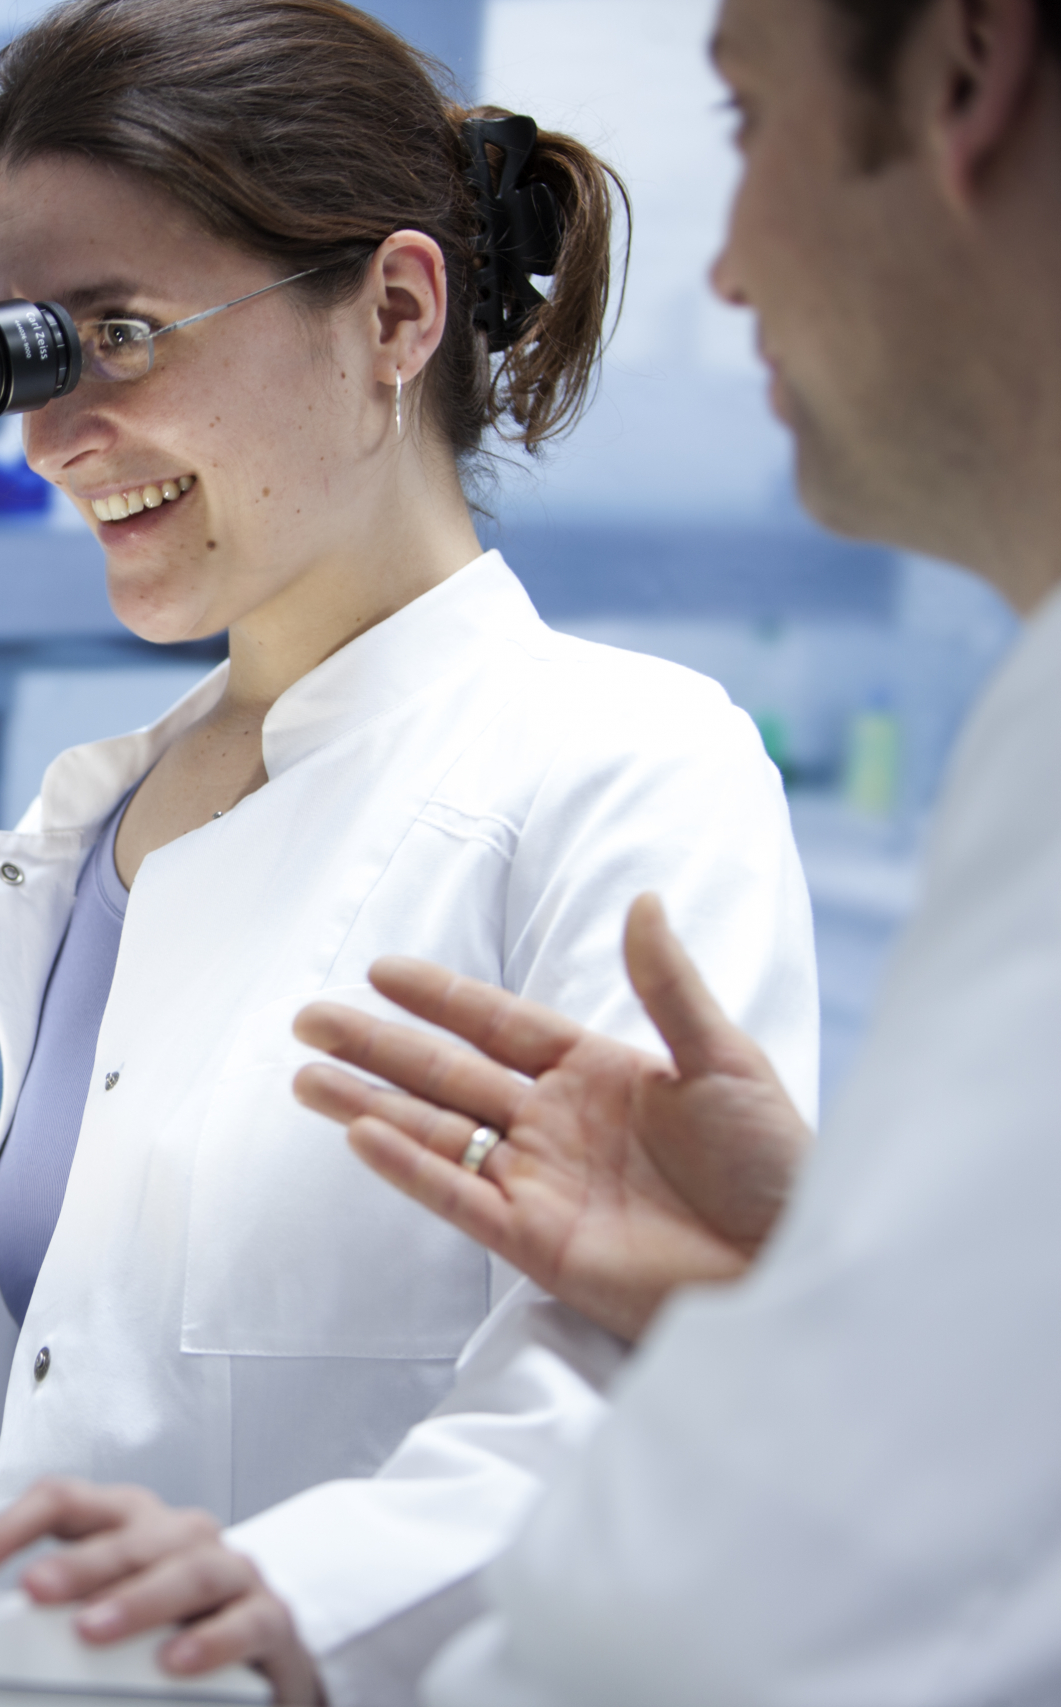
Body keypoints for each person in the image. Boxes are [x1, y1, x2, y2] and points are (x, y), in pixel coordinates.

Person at [0, 2, 822, 1701]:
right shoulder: (110, 809)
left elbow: (630, 1384)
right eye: (22, 354)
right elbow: (8, 1398)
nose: (53, 434)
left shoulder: (621, 767)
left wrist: (287, 1594)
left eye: (119, 336)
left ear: (393, 309)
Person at [283, 0, 1061, 1698]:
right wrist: (817, 1280)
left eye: (746, 123)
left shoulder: (642, 748)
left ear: (962, 74)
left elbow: (761, 1621)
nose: (723, 271)